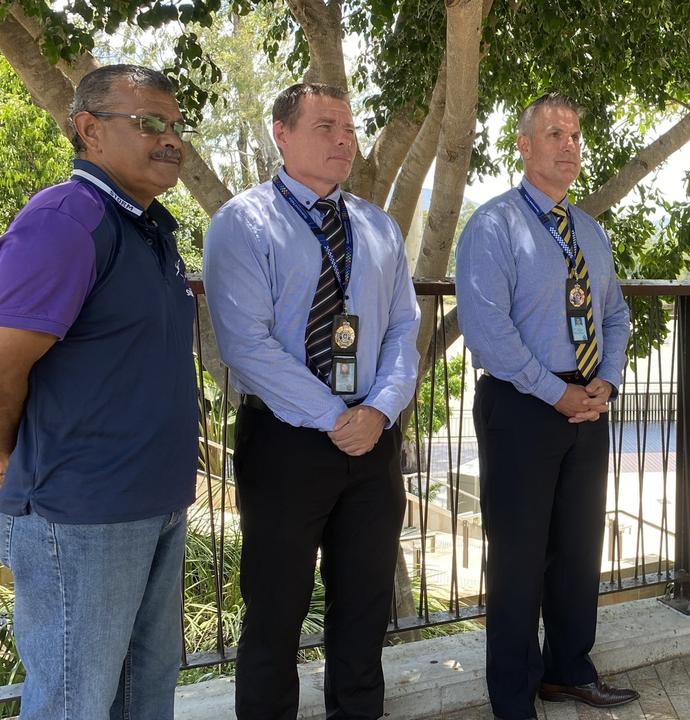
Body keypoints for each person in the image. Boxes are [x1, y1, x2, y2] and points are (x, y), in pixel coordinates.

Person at [203, 82, 421, 719]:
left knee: (363, 602)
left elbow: (405, 327)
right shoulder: (243, 222)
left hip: (373, 441)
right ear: (282, 133)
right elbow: (246, 344)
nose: (343, 140)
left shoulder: (378, 227)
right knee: (275, 608)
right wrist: (335, 417)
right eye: (325, 126)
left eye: (348, 129)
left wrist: (377, 411)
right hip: (285, 442)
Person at [0, 64, 197, 718]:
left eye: (174, 125)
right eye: (149, 123)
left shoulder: (150, 226)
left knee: (145, 693)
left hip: (155, 504)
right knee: (73, 702)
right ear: (89, 129)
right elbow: (4, 363)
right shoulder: (66, 220)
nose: (170, 139)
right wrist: (6, 460)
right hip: (80, 515)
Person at [455, 93, 636, 720]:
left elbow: (615, 315)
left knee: (579, 547)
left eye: (575, 135)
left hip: (588, 403)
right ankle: (512, 697)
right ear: (524, 147)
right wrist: (555, 391)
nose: (568, 146)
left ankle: (567, 671)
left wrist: (604, 385)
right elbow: (488, 332)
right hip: (523, 405)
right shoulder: (493, 225)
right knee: (518, 556)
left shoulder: (588, 230)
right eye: (554, 134)